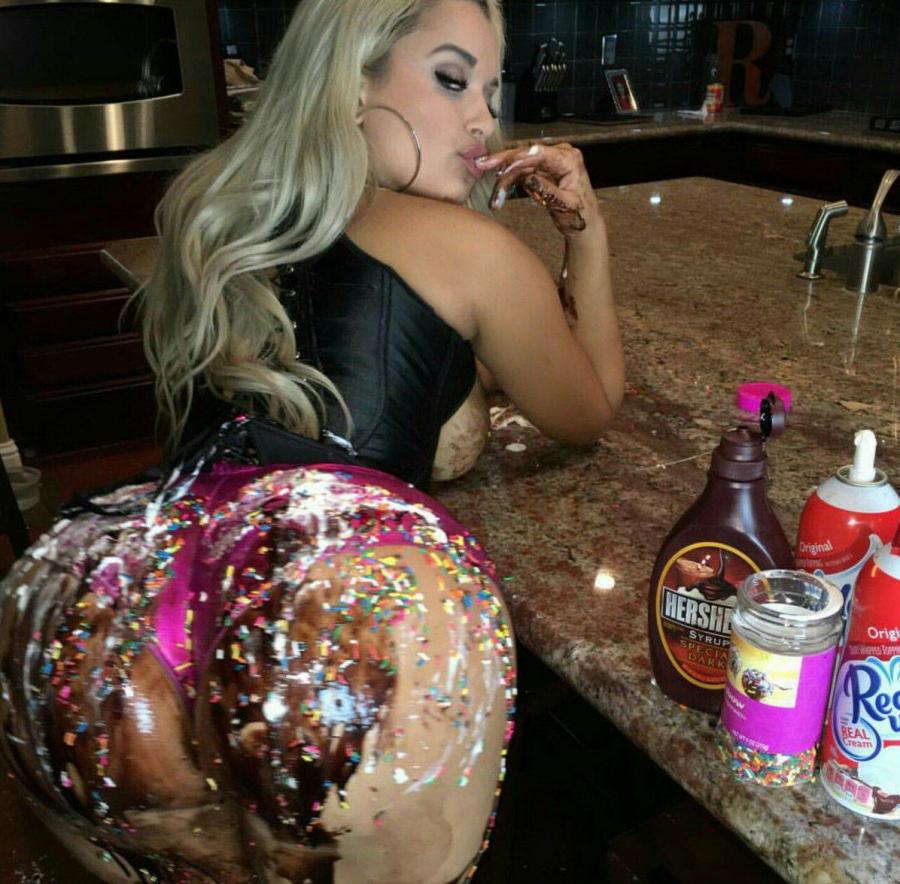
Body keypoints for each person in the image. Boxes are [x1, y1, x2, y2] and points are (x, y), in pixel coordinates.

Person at [0, 0, 623, 881]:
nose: (485, 119)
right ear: (349, 80)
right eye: (452, 80)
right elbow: (589, 411)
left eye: (491, 90)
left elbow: (395, 373)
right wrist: (587, 234)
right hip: (329, 623)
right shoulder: (470, 250)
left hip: (95, 595)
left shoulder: (221, 216)